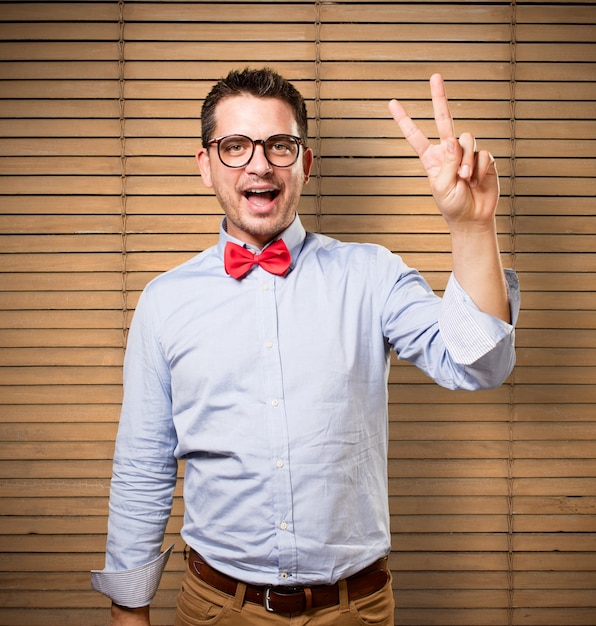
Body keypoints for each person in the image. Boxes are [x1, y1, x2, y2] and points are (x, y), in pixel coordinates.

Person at [91, 67, 519, 626]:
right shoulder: (164, 302)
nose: (259, 164)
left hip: (355, 609)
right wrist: (130, 612)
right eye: (235, 146)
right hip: (217, 609)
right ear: (205, 165)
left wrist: (471, 226)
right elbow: (143, 467)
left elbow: (480, 365)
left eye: (280, 145)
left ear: (305, 163)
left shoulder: (372, 275)